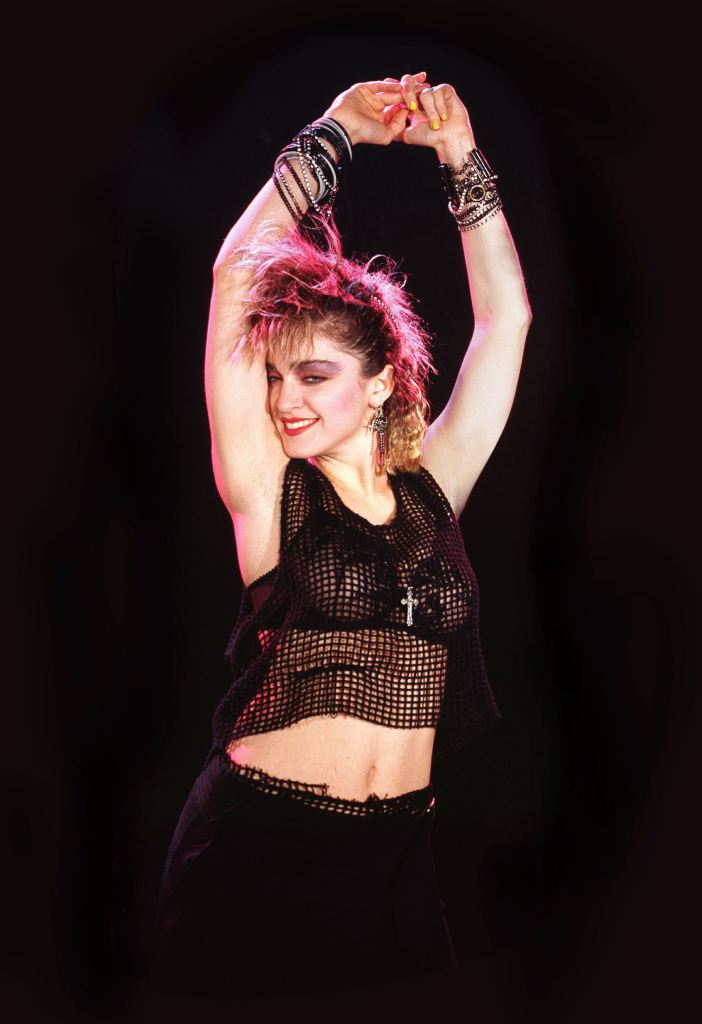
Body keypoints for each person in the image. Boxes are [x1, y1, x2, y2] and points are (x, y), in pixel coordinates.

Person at [148, 70, 532, 1003]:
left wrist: (461, 155)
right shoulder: (271, 493)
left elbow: (507, 320)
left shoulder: (433, 492)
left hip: (397, 858)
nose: (284, 399)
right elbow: (236, 275)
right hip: (261, 847)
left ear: (381, 383)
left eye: (313, 376)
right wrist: (337, 131)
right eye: (275, 377)